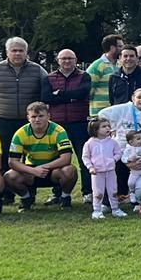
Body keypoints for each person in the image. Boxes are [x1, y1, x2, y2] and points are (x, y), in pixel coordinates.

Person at [0, 37, 48, 174]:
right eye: (14, 50)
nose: (17, 53)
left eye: (21, 51)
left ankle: (30, 186)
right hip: (4, 120)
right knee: (5, 154)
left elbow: (46, 89)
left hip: (30, 121)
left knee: (31, 155)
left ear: (26, 52)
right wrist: (0, 100)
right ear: (7, 52)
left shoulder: (38, 70)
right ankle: (5, 185)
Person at [4, 100, 78, 209]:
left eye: (41, 116)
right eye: (33, 117)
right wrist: (33, 171)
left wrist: (43, 167)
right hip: (31, 171)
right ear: (28, 118)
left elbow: (66, 158)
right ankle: (26, 199)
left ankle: (65, 198)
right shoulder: (20, 133)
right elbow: (12, 162)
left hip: (53, 170)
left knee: (70, 170)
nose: (37, 120)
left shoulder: (59, 131)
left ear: (48, 116)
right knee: (9, 176)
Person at [43, 48, 93, 194]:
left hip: (79, 122)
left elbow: (83, 93)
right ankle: (57, 193)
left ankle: (88, 192)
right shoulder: (49, 78)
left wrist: (59, 94)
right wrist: (71, 97)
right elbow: (46, 97)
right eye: (63, 58)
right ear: (58, 60)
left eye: (70, 58)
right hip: (57, 125)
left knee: (84, 158)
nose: (67, 61)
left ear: (76, 60)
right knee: (56, 160)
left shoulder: (84, 76)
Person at [81, 117, 128, 220]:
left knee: (113, 190)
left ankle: (115, 209)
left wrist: (113, 160)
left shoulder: (113, 142)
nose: (107, 128)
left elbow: (118, 153)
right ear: (95, 129)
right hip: (97, 173)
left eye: (108, 126)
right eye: (104, 126)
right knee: (98, 192)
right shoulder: (89, 143)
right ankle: (97, 211)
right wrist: (90, 167)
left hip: (110, 171)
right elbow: (85, 157)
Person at [86, 34, 124, 115]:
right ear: (112, 48)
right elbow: (89, 90)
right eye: (120, 46)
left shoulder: (120, 65)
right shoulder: (97, 66)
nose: (122, 49)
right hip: (99, 112)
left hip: (115, 112)